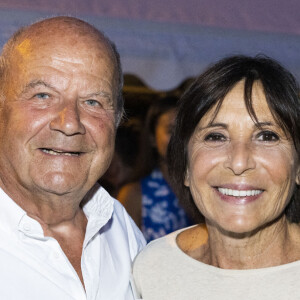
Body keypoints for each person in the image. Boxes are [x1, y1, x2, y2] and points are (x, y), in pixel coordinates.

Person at [0, 16, 145, 300]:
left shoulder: (120, 228)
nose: (69, 123)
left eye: (93, 102)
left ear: (116, 120)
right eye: (43, 95)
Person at [132, 55, 300, 299]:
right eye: (216, 136)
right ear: (187, 167)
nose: (239, 161)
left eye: (266, 136)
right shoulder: (153, 269)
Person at [118, 96, 193, 243]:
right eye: (171, 130)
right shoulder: (134, 195)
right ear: (152, 137)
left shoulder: (205, 188)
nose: (179, 138)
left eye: (184, 130)